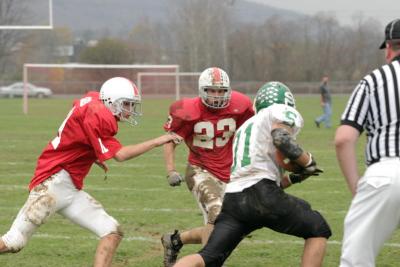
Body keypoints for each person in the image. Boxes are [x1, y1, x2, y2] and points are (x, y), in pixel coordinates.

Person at [0, 77, 181, 267]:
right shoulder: (100, 116)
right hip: (52, 185)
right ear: (111, 101)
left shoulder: (93, 100)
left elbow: (77, 115)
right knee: (14, 241)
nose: (130, 109)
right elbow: (120, 155)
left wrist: (90, 153)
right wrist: (158, 141)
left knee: (112, 232)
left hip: (68, 187)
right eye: (126, 104)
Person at [174, 81, 332, 267]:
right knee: (318, 227)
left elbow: (277, 162)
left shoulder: (245, 128)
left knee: (207, 257)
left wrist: (296, 175)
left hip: (234, 200)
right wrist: (308, 162)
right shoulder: (279, 111)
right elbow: (281, 139)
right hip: (262, 193)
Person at [160, 67, 254, 267]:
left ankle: (175, 241)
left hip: (230, 173)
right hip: (200, 170)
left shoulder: (241, 105)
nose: (217, 95)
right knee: (216, 210)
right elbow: (170, 140)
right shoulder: (187, 110)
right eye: (212, 90)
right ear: (202, 90)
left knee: (230, 227)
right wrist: (170, 170)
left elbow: (251, 131)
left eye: (221, 91)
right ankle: (209, 262)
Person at [335, 19, 400, 267]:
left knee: (356, 261)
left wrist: (356, 187)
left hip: (387, 173)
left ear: (389, 49)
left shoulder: (374, 80)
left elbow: (344, 139)